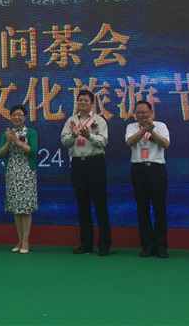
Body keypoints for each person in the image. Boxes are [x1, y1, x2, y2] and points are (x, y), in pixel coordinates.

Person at [60, 90, 111, 256]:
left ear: (92, 103)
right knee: (82, 205)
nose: (82, 102)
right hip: (77, 164)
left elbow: (103, 141)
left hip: (95, 163)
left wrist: (89, 136)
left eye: (86, 100)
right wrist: (73, 135)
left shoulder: (99, 121)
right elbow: (65, 141)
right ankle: (86, 244)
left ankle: (104, 245)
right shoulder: (71, 121)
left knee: (100, 205)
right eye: (80, 99)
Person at [125, 100, 170, 258]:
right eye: (138, 113)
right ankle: (147, 246)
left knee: (159, 208)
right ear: (135, 115)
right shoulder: (131, 127)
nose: (142, 115)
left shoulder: (161, 126)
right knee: (142, 208)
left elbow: (165, 144)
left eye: (144, 112)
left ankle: (161, 246)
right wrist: (144, 129)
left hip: (157, 169)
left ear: (151, 113)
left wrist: (152, 131)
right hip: (138, 169)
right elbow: (130, 142)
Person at [0, 104, 38, 254]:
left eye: (20, 114)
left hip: (27, 173)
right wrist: (9, 141)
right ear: (10, 117)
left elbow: (33, 151)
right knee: (16, 208)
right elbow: (1, 154)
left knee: (26, 209)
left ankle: (26, 241)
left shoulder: (31, 132)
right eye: (14, 114)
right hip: (12, 174)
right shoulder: (7, 133)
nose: (17, 117)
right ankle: (20, 240)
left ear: (25, 117)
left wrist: (18, 142)